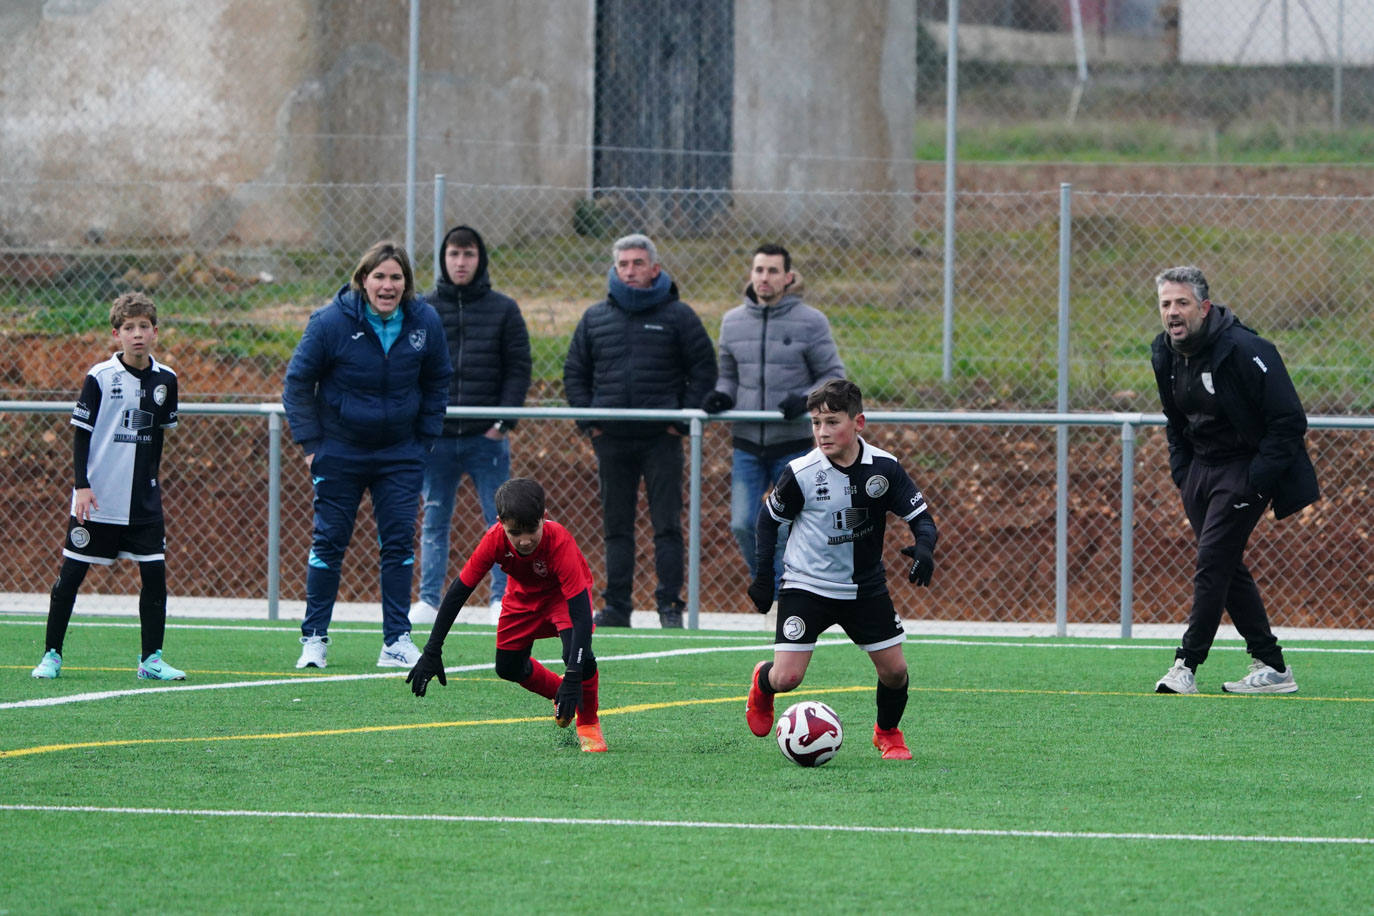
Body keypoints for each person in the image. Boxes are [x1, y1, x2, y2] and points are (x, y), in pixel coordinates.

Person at [742, 379, 937, 760]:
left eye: (832, 422)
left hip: (864, 588)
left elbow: (922, 518)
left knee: (895, 671)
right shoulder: (800, 472)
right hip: (806, 585)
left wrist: (925, 549)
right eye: (816, 423)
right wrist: (764, 578)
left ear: (858, 422)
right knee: (788, 679)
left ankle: (887, 733)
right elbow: (768, 521)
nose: (822, 432)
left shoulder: (884, 468)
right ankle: (762, 684)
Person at [282, 240, 452, 670]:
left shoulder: (424, 321)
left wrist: (425, 440)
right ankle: (314, 638)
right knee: (329, 542)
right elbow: (297, 383)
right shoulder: (328, 322)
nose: (388, 285)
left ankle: (396, 641)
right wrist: (311, 447)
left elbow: (438, 381)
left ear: (406, 284)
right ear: (363, 280)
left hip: (401, 455)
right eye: (379, 276)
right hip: (338, 452)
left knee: (398, 544)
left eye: (396, 277)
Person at [1150, 266, 1318, 695]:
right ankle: (1274, 667)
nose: (1173, 312)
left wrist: (1255, 479)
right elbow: (1174, 420)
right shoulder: (1164, 352)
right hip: (1199, 472)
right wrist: (1182, 472)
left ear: (1203, 308)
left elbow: (1289, 421)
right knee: (1225, 564)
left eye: (1182, 303)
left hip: (1244, 470)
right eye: (1166, 304)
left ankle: (1185, 665)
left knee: (1212, 563)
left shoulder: (1246, 349)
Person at [562, 233, 717, 628]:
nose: (630, 271)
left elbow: (704, 372)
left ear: (655, 269)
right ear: (615, 269)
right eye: (623, 264)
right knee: (616, 527)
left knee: (667, 525)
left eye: (637, 263)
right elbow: (575, 373)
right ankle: (617, 607)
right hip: (610, 440)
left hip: (660, 441)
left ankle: (669, 607)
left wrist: (678, 422)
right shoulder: (595, 317)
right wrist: (590, 423)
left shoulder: (679, 316)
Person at [30, 292, 185, 681]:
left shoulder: (167, 379)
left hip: (143, 502)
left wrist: (151, 485)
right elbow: (81, 436)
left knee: (154, 577)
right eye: (129, 328)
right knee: (71, 575)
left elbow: (160, 439)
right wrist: (81, 486)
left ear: (155, 331)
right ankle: (52, 654)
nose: (137, 335)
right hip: (97, 498)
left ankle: (151, 659)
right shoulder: (99, 377)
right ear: (116, 334)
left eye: (144, 327)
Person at [405, 477, 607, 752]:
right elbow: (458, 593)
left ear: (543, 518)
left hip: (562, 598)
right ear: (500, 522)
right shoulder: (494, 540)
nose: (524, 540)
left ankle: (588, 722)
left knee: (578, 656)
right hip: (521, 598)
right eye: (515, 532)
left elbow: (582, 613)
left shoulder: (560, 542)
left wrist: (574, 673)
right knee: (508, 667)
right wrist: (432, 649)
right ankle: (559, 691)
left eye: (531, 530)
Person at [702, 243, 845, 587]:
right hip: (747, 444)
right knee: (743, 522)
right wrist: (722, 395)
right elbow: (729, 376)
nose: (764, 278)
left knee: (791, 525)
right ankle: (769, 582)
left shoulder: (811, 322)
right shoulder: (732, 322)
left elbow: (834, 375)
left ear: (788, 277)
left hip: (793, 446)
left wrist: (806, 399)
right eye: (759, 270)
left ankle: (794, 592)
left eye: (772, 271)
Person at [412, 224, 532, 627]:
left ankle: (502, 598)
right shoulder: (424, 309)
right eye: (453, 254)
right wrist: (424, 422)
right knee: (433, 517)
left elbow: (518, 369)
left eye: (468, 254)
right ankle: (428, 599)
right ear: (443, 259)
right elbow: (414, 368)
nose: (460, 262)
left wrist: (502, 422)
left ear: (480, 259)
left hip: (486, 438)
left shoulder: (504, 309)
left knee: (502, 522)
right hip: (438, 439)